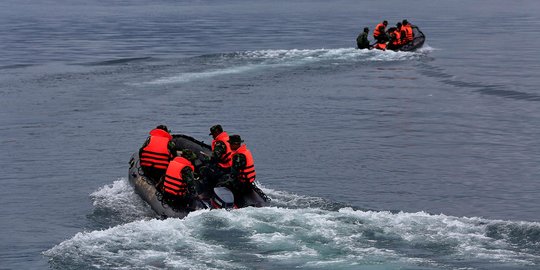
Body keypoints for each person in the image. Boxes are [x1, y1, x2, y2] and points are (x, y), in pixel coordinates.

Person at [219, 135, 256, 205]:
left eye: (230, 143)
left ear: (235, 144)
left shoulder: (238, 156)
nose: (229, 145)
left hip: (242, 185)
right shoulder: (246, 151)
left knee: (221, 184)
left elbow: (234, 174)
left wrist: (226, 182)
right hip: (248, 182)